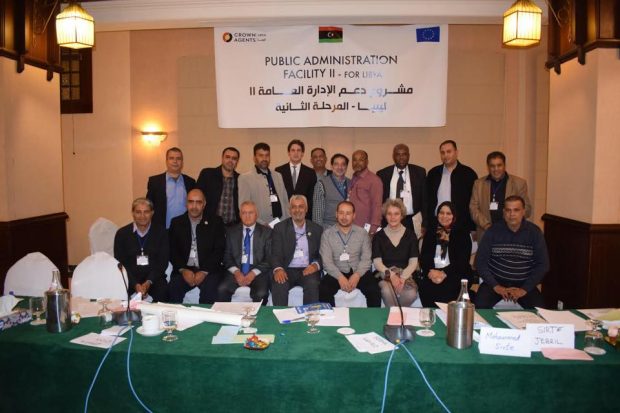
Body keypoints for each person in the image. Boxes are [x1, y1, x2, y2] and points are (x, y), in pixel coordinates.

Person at [475, 196, 549, 309]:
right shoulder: (492, 231)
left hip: (524, 284)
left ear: (523, 211)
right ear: (503, 212)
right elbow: (480, 262)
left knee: (539, 311)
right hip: (495, 282)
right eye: (508, 210)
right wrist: (496, 286)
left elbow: (543, 265)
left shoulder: (534, 232)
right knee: (479, 308)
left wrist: (524, 289)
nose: (512, 214)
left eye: (516, 210)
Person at [168, 189, 226, 304]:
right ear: (186, 203)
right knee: (173, 288)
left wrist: (204, 271)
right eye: (191, 202)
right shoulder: (176, 223)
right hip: (184, 269)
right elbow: (172, 250)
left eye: (198, 202)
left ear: (204, 204)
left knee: (210, 291)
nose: (194, 206)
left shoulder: (216, 222)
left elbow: (219, 250)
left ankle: (205, 315)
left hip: (208, 270)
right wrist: (183, 270)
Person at [319, 201, 381, 307]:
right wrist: (340, 277)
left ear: (354, 215)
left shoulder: (362, 233)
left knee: (374, 290)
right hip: (336, 271)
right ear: (336, 214)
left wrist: (357, 275)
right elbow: (326, 261)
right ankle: (330, 317)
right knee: (324, 290)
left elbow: (367, 259)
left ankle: (373, 317)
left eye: (348, 213)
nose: (344, 217)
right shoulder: (327, 234)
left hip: (358, 271)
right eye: (341, 213)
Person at [270, 195, 323, 305]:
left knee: (312, 283)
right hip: (286, 269)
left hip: (308, 269)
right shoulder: (280, 228)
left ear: (306, 209)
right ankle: (280, 315)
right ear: (290, 210)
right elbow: (275, 253)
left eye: (301, 206)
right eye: (294, 207)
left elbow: (322, 254)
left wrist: (315, 265)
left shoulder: (317, 229)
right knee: (279, 284)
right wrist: (278, 269)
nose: (297, 210)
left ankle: (310, 314)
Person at [114, 197, 169, 302]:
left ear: (152, 213)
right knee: (119, 293)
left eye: (146, 212)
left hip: (154, 279)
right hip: (130, 279)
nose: (142, 216)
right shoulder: (122, 234)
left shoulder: (161, 233)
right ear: (133, 213)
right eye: (138, 212)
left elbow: (162, 262)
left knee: (163, 291)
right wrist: (135, 284)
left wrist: (148, 282)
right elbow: (121, 263)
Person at [418, 201, 473, 307]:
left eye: (448, 213)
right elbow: (424, 257)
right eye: (441, 213)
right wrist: (431, 272)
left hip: (454, 273)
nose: (444, 216)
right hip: (433, 272)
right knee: (425, 287)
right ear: (437, 215)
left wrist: (444, 273)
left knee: (447, 290)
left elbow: (462, 262)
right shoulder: (430, 232)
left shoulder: (463, 234)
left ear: (454, 216)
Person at [469, 151, 532, 241]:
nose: (496, 169)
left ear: (504, 165)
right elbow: (473, 208)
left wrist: (510, 223)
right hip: (486, 233)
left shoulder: (519, 183)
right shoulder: (479, 184)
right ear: (488, 167)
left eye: (499, 165)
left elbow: (527, 209)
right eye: (492, 166)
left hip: (512, 233)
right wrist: (487, 226)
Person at [218, 201, 272, 304]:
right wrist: (237, 272)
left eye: (250, 213)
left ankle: (257, 314)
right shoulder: (231, 232)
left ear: (256, 214)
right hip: (237, 268)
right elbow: (226, 256)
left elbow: (269, 258)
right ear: (239, 215)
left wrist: (253, 273)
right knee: (222, 289)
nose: (247, 216)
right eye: (244, 213)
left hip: (258, 270)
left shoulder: (267, 232)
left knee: (261, 293)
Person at [372, 199, 419, 307]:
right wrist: (391, 275)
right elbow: (377, 263)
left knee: (411, 294)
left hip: (405, 275)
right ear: (385, 215)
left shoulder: (411, 235)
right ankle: (397, 315)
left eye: (396, 214)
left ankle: (393, 314)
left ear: (402, 215)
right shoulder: (378, 236)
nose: (393, 217)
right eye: (389, 214)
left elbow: (413, 262)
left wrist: (402, 278)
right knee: (386, 291)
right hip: (384, 275)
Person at [426, 140, 477, 233]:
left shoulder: (468, 174)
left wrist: (473, 227)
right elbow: (427, 200)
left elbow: (474, 202)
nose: (445, 155)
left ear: (456, 152)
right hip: (437, 224)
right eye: (442, 152)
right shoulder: (433, 173)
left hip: (461, 225)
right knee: (437, 243)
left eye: (449, 151)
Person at [376, 143, 427, 235]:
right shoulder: (383, 174)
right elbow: (379, 200)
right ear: (393, 156)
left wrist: (425, 222)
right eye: (398, 154)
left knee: (412, 243)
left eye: (404, 154)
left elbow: (424, 199)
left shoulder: (419, 172)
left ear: (408, 156)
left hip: (411, 220)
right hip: (390, 220)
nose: (401, 157)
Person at [238, 142, 289, 225]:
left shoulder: (278, 175)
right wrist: (262, 223)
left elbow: (285, 201)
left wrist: (287, 221)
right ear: (254, 158)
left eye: (267, 155)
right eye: (261, 155)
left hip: (281, 224)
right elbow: (243, 207)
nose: (264, 159)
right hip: (260, 226)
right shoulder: (245, 178)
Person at [146, 147, 196, 229]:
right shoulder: (154, 182)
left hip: (184, 229)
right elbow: (149, 206)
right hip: (162, 229)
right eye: (171, 158)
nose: (175, 161)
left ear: (182, 162)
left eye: (178, 158)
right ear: (166, 161)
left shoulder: (190, 182)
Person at [196, 147, 240, 226]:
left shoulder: (240, 179)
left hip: (233, 227)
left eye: (234, 158)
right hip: (210, 225)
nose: (230, 160)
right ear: (222, 158)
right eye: (227, 157)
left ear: (237, 161)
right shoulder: (207, 174)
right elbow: (197, 197)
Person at [275, 139, 317, 219]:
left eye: (298, 150)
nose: (296, 153)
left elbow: (312, 197)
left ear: (302, 153)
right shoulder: (279, 171)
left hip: (303, 215)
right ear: (289, 153)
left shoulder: (310, 172)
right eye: (293, 150)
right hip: (285, 215)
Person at [348, 150, 383, 235]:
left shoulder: (374, 180)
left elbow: (377, 205)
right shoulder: (353, 178)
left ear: (367, 162)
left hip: (365, 229)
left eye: (361, 160)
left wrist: (373, 229)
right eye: (355, 160)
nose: (357, 163)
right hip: (351, 226)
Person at [312, 153, 350, 229]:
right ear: (332, 166)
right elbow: (317, 215)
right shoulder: (321, 184)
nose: (340, 167)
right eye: (336, 164)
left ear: (346, 167)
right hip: (328, 228)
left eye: (343, 164)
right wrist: (319, 232)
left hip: (347, 228)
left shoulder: (351, 183)